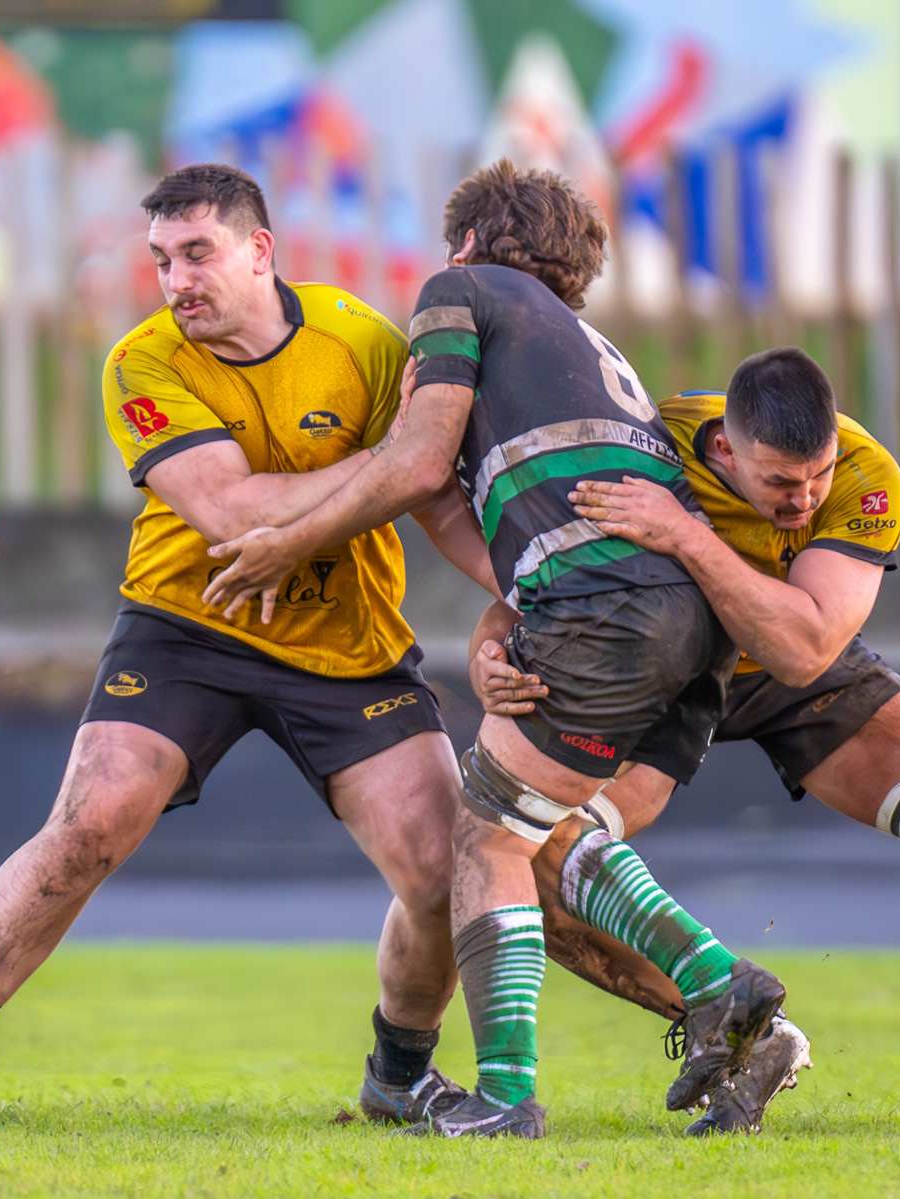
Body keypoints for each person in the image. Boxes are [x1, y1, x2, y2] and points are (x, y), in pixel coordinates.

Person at [0, 163, 489, 1129]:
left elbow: (438, 494)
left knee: (442, 873)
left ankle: (398, 1074)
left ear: (259, 251)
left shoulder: (360, 340)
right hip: (189, 622)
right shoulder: (141, 361)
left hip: (344, 635)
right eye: (159, 260)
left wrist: (516, 585)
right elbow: (230, 510)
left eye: (197, 254)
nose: (175, 280)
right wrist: (389, 465)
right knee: (89, 823)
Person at [199, 160, 786, 1140]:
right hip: (688, 614)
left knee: (486, 836)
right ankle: (717, 987)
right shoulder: (575, 343)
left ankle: (517, 1089)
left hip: (611, 605)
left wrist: (288, 541)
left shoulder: (459, 291)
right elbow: (484, 508)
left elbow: (420, 460)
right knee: (549, 832)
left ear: (469, 241)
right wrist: (515, 615)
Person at [471, 351, 900, 1128]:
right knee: (540, 856)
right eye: (780, 482)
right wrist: (491, 638)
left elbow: (806, 649)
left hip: (791, 652)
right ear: (722, 451)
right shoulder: (650, 442)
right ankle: (748, 1025)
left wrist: (683, 533)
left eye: (816, 474)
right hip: (659, 666)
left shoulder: (867, 472)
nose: (804, 499)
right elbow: (544, 553)